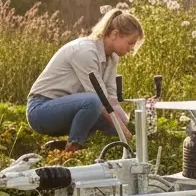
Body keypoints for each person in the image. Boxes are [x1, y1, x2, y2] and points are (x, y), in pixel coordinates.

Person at [26, 8, 144, 152]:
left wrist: (131, 129)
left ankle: (59, 147)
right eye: (130, 42)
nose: (131, 48)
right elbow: (101, 102)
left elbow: (112, 102)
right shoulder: (86, 51)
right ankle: (72, 150)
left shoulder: (112, 58)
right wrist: (126, 134)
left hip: (69, 111)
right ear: (115, 34)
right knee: (94, 101)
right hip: (41, 111)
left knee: (113, 130)